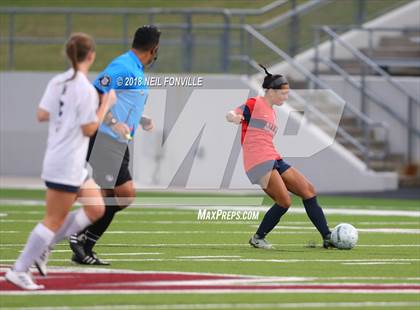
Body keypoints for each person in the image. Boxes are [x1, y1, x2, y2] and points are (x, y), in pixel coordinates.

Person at [5, 33, 116, 290]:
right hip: (65, 162)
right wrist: (105, 105)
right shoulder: (86, 89)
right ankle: (19, 269)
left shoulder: (58, 82)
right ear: (91, 56)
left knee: (96, 208)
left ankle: (45, 248)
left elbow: (42, 114)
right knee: (53, 219)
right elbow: (89, 129)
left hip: (70, 161)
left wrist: (66, 117)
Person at [69, 25, 160, 265]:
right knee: (125, 194)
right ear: (154, 49)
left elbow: (121, 100)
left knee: (110, 196)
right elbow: (97, 92)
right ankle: (78, 233)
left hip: (119, 142)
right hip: (104, 137)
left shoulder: (136, 69)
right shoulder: (123, 65)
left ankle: (84, 245)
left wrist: (141, 118)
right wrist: (112, 121)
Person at [226, 64, 334, 249]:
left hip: (273, 158)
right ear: (271, 91)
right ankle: (258, 238)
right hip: (257, 161)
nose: (286, 96)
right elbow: (231, 113)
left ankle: (327, 237)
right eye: (283, 93)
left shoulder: (273, 112)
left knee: (308, 190)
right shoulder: (255, 103)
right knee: (284, 201)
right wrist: (234, 117)